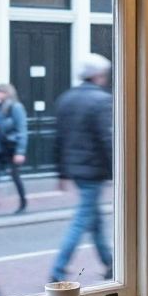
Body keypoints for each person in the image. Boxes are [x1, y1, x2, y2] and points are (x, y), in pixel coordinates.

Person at [49, 53, 115, 282]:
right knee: (81, 219)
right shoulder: (101, 100)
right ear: (97, 75)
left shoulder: (66, 98)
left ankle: (109, 263)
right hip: (93, 170)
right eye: (104, 74)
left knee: (94, 219)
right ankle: (58, 269)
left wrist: (61, 172)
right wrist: (115, 172)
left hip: (76, 170)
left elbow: (58, 139)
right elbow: (107, 140)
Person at [0, 83, 29, 213]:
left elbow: (21, 130)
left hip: (10, 148)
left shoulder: (16, 108)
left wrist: (20, 151)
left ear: (6, 93)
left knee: (15, 177)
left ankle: (23, 202)